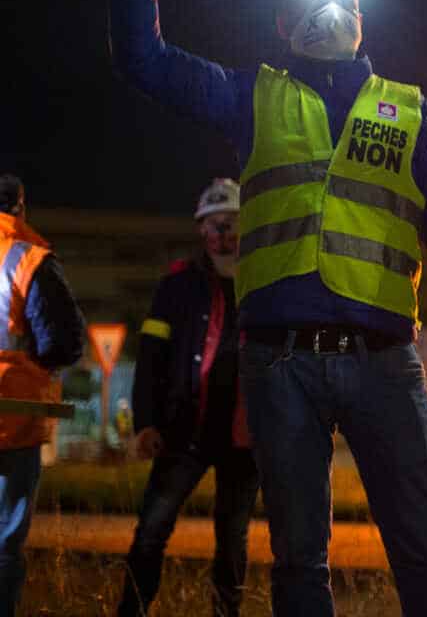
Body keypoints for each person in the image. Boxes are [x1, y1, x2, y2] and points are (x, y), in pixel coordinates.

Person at [108, 0, 427, 617]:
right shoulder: (255, 96)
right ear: (284, 27)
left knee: (419, 545)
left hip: (382, 359)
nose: (328, 11)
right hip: (279, 362)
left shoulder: (408, 109)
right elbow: (145, 63)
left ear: (361, 20)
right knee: (297, 557)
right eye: (311, 4)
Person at [118, 178, 261, 617]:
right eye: (217, 224)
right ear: (201, 229)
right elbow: (151, 357)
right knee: (152, 530)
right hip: (185, 430)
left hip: (244, 436)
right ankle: (132, 611)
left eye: (234, 224)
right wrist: (146, 422)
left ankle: (226, 613)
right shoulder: (178, 285)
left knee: (232, 539)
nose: (226, 233)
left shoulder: (266, 283)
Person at [0, 174, 85, 616]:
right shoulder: (27, 257)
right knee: (2, 545)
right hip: (11, 420)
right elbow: (64, 342)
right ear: (19, 205)